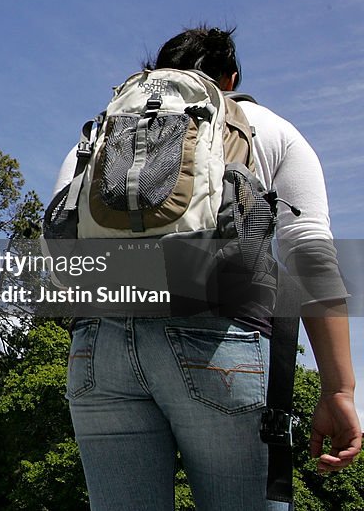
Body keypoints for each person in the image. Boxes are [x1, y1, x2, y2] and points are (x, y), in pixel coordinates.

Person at [56, 27, 360, 510]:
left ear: (158, 72)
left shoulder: (105, 132)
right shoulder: (266, 127)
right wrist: (339, 387)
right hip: (218, 339)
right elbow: (309, 255)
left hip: (99, 346)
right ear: (230, 78)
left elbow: (65, 249)